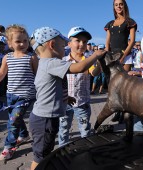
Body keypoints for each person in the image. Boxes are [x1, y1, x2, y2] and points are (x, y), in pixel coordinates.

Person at [29, 27, 105, 170]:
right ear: (52, 45)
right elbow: (79, 68)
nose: (64, 46)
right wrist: (95, 55)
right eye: (62, 44)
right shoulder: (52, 62)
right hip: (45, 120)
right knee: (40, 157)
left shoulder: (45, 63)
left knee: (44, 152)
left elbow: (52, 88)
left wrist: (66, 97)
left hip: (46, 117)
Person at [0, 24, 38, 161]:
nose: (22, 44)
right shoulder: (7, 57)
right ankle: (24, 135)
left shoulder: (32, 57)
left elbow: (38, 75)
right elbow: (1, 73)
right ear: (9, 43)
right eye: (18, 41)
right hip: (10, 94)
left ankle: (9, 146)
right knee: (15, 118)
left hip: (26, 96)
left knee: (13, 121)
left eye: (25, 40)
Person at [58, 26, 102, 146]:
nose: (81, 44)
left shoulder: (88, 60)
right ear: (69, 43)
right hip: (65, 103)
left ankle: (86, 149)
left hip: (82, 103)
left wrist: (99, 62)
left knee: (85, 129)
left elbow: (94, 72)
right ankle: (63, 149)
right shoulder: (63, 61)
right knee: (63, 129)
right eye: (78, 40)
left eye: (85, 41)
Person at [104, 0, 137, 72]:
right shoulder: (110, 24)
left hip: (126, 56)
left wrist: (123, 57)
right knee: (112, 81)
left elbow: (132, 41)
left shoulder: (130, 22)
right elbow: (107, 42)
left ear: (124, 5)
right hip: (112, 56)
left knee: (125, 80)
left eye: (121, 4)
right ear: (114, 7)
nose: (118, 6)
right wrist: (107, 56)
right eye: (116, 5)